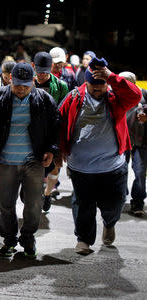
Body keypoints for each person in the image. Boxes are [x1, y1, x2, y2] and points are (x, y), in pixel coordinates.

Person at [58, 57, 142, 255]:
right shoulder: (73, 98)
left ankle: (109, 222)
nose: (97, 90)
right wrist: (58, 149)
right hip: (81, 166)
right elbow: (59, 122)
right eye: (92, 86)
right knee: (83, 205)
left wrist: (111, 77)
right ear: (85, 82)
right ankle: (84, 240)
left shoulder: (116, 97)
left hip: (113, 165)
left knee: (115, 203)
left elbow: (135, 95)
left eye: (101, 86)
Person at [0, 62, 60, 258]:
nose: (21, 89)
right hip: (5, 161)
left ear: (32, 81)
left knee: (33, 204)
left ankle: (28, 238)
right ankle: (9, 240)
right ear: (10, 81)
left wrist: (51, 150)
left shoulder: (44, 99)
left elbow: (55, 126)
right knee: (6, 203)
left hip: (34, 162)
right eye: (17, 85)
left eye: (25, 85)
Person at [32, 51, 69, 212]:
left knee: (54, 167)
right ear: (33, 67)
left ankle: (47, 194)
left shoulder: (61, 85)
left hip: (53, 133)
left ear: (51, 69)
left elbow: (64, 113)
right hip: (32, 133)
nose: (41, 76)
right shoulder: (28, 83)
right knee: (33, 167)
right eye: (38, 72)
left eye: (44, 73)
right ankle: (35, 193)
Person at [120, 71, 147, 217]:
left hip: (140, 141)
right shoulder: (116, 95)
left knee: (140, 172)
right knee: (119, 170)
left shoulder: (144, 94)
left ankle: (137, 202)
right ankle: (120, 196)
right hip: (121, 140)